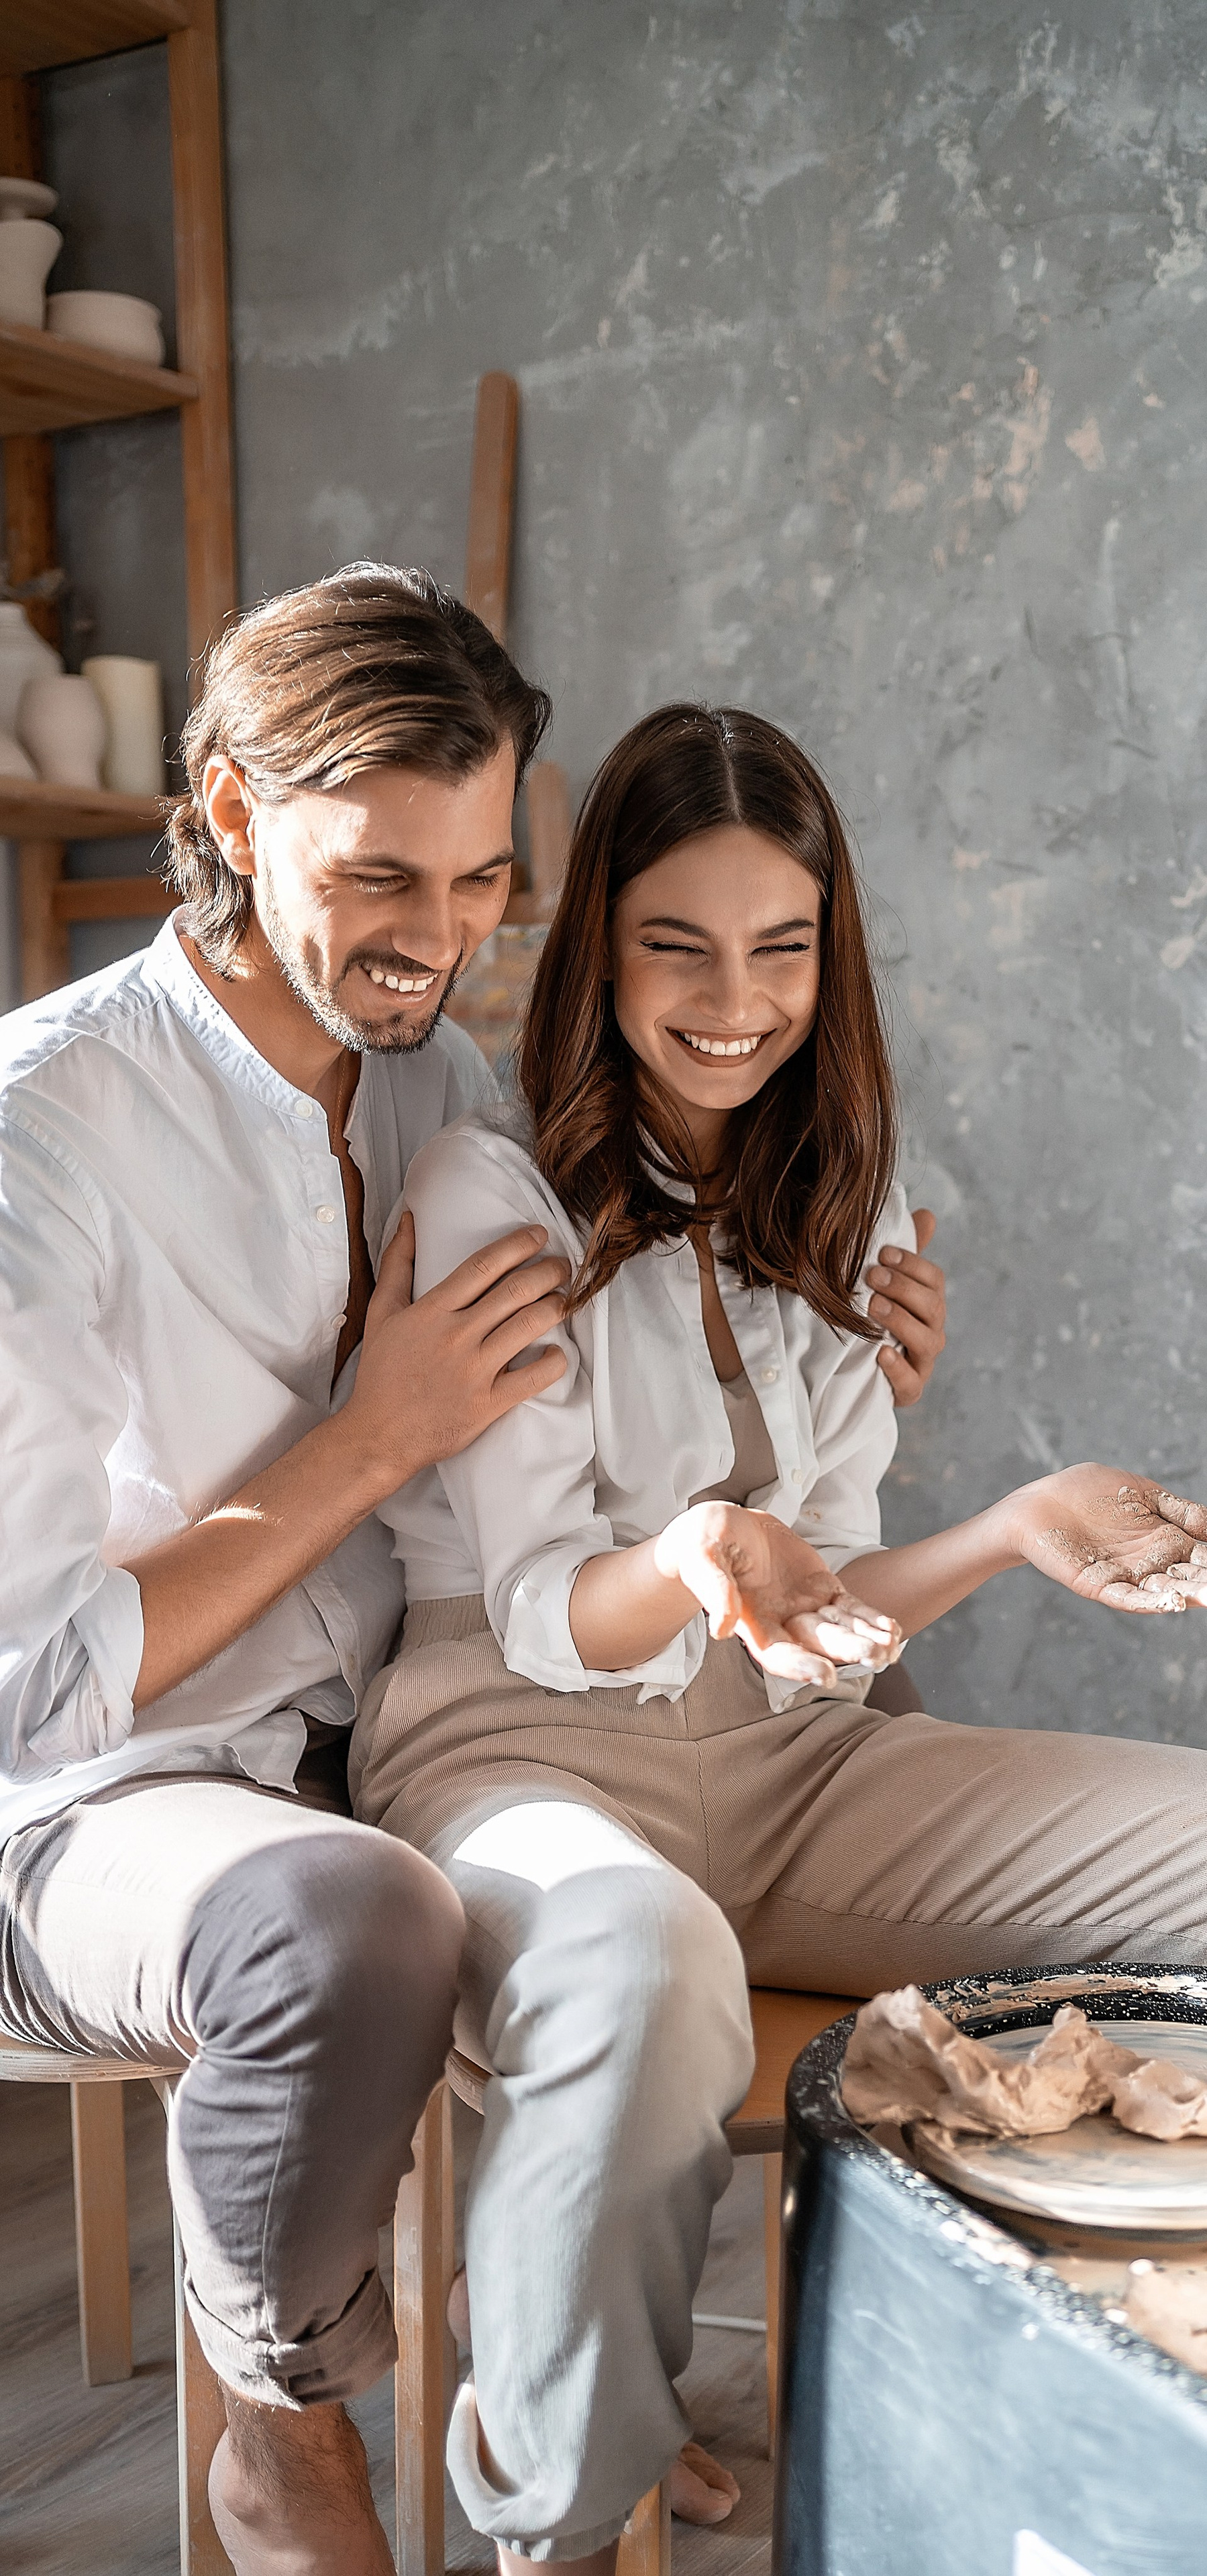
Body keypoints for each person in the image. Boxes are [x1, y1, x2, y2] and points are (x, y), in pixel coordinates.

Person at [352, 702, 1207, 2574]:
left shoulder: (844, 1206)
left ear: (830, 956)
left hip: (797, 1766)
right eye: (677, 942)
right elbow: (542, 1605)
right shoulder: (486, 1192)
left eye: (782, 947)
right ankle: (557, 2502)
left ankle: (1188, 2405)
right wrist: (696, 1549)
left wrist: (1006, 1533)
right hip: (522, 1747)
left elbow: (818, 1617)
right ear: (595, 938)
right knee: (637, 1962)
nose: (733, 999)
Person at [0, 566, 951, 2576]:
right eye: (378, 880)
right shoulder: (48, 1131)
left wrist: (839, 1311)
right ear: (235, 812)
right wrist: (374, 1433)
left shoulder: (439, 1087)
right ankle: (287, 2417)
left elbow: (630, 1328)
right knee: (348, 1927)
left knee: (676, 1834)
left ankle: (555, 2361)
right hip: (97, 1802)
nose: (435, 942)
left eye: (479, 883)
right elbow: (27, 1680)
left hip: (392, 1746)